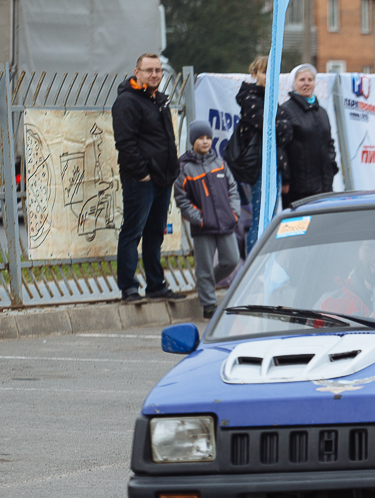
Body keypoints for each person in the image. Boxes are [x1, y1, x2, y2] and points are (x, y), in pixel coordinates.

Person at [112, 53, 185, 303]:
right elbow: (125, 142)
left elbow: (167, 138)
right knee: (133, 232)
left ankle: (155, 285)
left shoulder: (159, 100)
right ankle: (129, 287)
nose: (154, 74)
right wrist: (142, 173)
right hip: (140, 180)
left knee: (155, 233)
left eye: (158, 71)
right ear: (137, 72)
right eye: (149, 70)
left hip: (163, 179)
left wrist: (172, 169)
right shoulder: (127, 101)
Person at [175, 120, 241, 318]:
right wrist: (200, 219)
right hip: (203, 227)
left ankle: (206, 285)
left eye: (208, 138)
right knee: (203, 267)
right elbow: (182, 200)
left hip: (225, 223)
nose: (205, 142)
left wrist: (234, 212)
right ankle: (209, 306)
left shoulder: (220, 163)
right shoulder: (184, 167)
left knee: (231, 260)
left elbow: (233, 189)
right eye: (200, 138)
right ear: (193, 140)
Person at [275, 64, 338, 207]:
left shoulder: (321, 111)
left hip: (324, 187)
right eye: (302, 79)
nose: (306, 83)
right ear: (294, 84)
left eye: (310, 79)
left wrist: (331, 168)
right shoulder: (286, 111)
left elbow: (329, 143)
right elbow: (281, 148)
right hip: (298, 188)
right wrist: (285, 180)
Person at [232, 55, 269, 253]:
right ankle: (254, 265)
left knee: (269, 217)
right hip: (258, 165)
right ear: (254, 74)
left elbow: (286, 130)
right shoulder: (250, 98)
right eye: (264, 72)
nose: (268, 77)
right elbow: (270, 127)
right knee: (260, 218)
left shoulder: (270, 98)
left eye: (272, 72)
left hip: (272, 164)